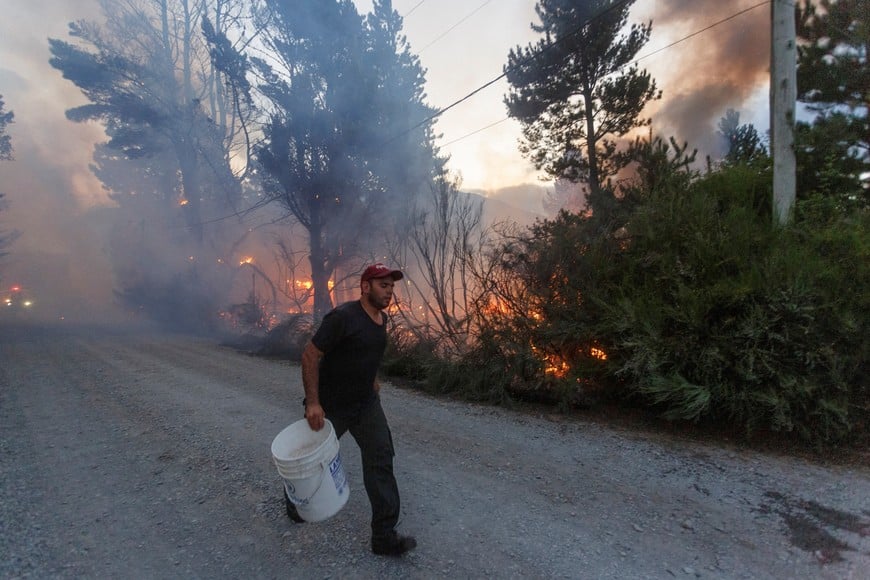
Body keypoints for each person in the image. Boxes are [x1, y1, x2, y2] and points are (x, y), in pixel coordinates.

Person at [285, 263, 417, 557]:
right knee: (312, 460)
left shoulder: (382, 320)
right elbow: (310, 355)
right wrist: (314, 402)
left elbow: (367, 353)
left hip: (366, 406)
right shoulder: (342, 317)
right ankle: (295, 502)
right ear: (365, 286)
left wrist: (372, 379)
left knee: (381, 458)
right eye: (383, 286)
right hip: (332, 405)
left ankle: (384, 537)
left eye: (392, 287)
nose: (389, 292)